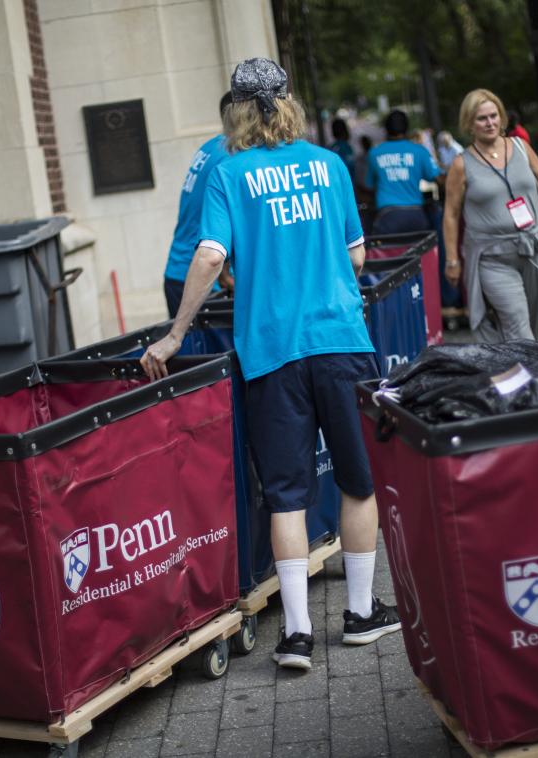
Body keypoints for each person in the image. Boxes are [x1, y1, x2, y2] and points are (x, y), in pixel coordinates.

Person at [140, 58, 400, 671]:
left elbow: (208, 255)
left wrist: (177, 333)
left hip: (270, 353)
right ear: (288, 104)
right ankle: (361, 615)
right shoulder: (330, 165)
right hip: (340, 340)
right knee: (357, 481)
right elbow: (357, 254)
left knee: (285, 493)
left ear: (237, 109)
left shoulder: (228, 174)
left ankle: (298, 635)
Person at [443, 88, 538, 341]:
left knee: (529, 324)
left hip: (532, 249)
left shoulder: (521, 147)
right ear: (469, 123)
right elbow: (451, 214)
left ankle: (511, 373)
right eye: (482, 118)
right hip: (492, 258)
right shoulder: (461, 164)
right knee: (518, 326)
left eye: (494, 115)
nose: (490, 123)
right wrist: (452, 261)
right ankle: (530, 379)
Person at [163, 92, 233, 317]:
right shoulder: (231, 156)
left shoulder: (210, 147)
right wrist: (227, 277)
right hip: (201, 283)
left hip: (180, 274)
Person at [366, 110, 440, 235]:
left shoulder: (374, 153)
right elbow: (438, 178)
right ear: (407, 128)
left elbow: (369, 187)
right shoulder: (419, 151)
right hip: (417, 216)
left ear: (386, 129)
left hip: (387, 217)